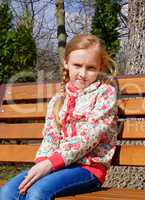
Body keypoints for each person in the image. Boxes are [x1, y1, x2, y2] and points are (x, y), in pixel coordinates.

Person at [0, 34, 119, 200]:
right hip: (56, 165)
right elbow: (50, 136)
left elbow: (90, 136)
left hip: (88, 168)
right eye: (77, 65)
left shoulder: (105, 93)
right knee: (8, 192)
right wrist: (43, 163)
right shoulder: (58, 99)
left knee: (38, 193)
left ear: (100, 67)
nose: (82, 73)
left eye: (91, 68)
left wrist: (51, 164)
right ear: (66, 63)